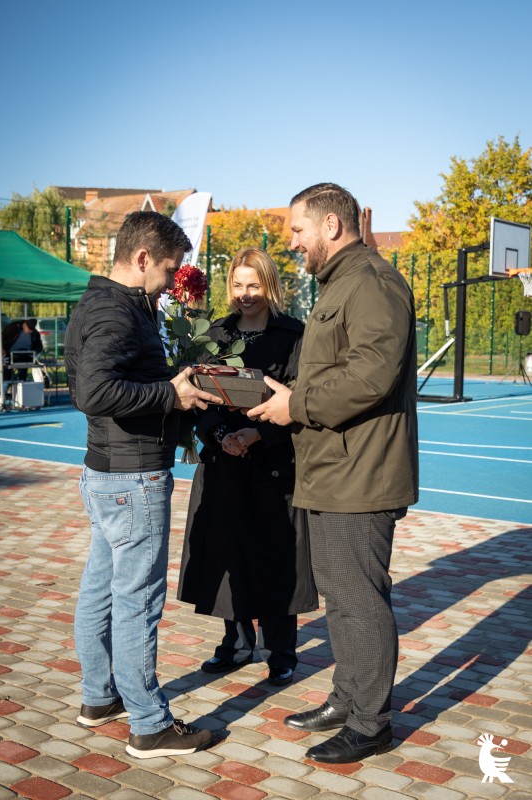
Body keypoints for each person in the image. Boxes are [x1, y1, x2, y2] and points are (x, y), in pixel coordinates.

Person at [247, 183, 419, 764]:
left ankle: (371, 724)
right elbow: (336, 374)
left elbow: (371, 375)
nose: (291, 242)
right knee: (340, 598)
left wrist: (293, 406)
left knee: (360, 600)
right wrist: (289, 395)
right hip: (331, 471)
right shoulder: (340, 283)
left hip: (360, 475)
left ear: (331, 224)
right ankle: (349, 698)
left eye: (297, 230)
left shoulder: (372, 283)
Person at [65, 212, 222, 760]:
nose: (172, 279)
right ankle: (150, 725)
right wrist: (169, 397)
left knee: (101, 588)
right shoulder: (116, 311)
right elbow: (93, 391)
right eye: (169, 268)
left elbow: (89, 380)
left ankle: (98, 696)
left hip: (105, 473)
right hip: (131, 479)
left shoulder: (96, 303)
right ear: (141, 260)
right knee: (137, 602)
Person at [178, 248, 318, 685]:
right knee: (227, 551)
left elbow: (300, 398)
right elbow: (198, 397)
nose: (245, 294)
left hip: (275, 462)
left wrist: (257, 434)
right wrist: (221, 435)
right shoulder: (216, 333)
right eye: (238, 285)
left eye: (254, 285)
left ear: (270, 285)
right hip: (224, 461)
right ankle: (235, 644)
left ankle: (281, 650)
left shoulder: (296, 334)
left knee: (277, 554)